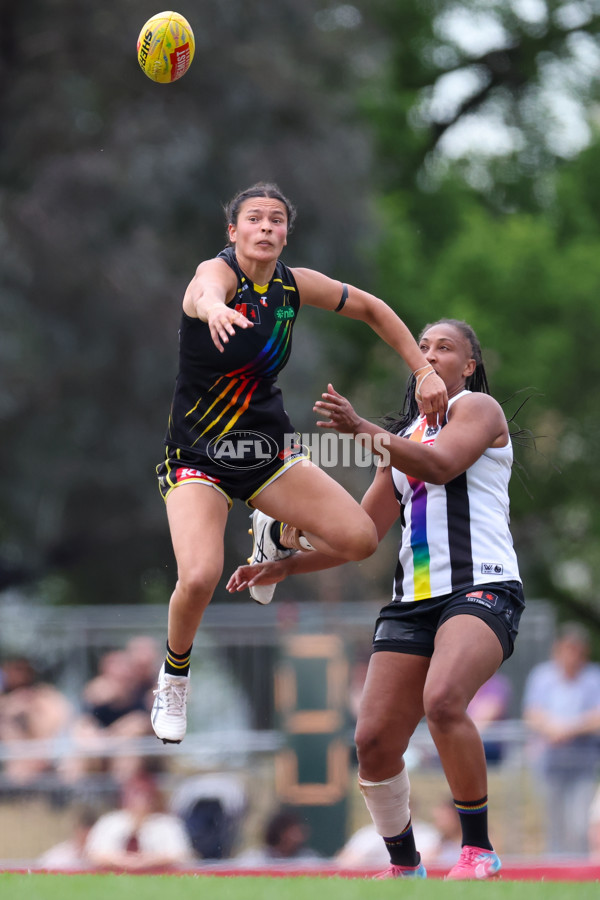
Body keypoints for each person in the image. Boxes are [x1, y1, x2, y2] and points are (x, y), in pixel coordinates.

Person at [150, 181, 447, 745]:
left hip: (264, 452)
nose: (266, 227)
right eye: (255, 219)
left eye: (277, 220)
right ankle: (174, 675)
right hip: (198, 456)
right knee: (199, 576)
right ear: (232, 231)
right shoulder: (217, 277)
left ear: (286, 233)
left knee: (359, 539)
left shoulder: (292, 286)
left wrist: (423, 370)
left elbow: (371, 308)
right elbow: (201, 292)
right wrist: (213, 309)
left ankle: (277, 532)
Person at [228, 318, 525, 880]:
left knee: (442, 699)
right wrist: (284, 564)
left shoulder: (479, 410)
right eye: (423, 347)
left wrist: (359, 427)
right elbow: (360, 537)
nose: (431, 355)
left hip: (481, 586)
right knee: (373, 741)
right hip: (412, 600)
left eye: (445, 348)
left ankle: (478, 851)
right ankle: (404, 867)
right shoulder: (402, 444)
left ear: (468, 367)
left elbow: (441, 465)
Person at [522, 622, 600, 857]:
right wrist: (551, 728)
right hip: (549, 764)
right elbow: (531, 713)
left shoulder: (593, 678)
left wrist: (567, 729)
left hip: (583, 764)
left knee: (578, 823)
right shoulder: (542, 676)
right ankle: (557, 869)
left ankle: (579, 869)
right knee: (553, 823)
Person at [84, 770, 193, 871]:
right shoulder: (109, 822)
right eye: (135, 794)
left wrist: (148, 860)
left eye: (144, 795)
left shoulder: (168, 824)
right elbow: (93, 854)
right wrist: (123, 860)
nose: (139, 800)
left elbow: (181, 855)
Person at [235, 807, 321, 866]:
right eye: (294, 831)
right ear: (282, 833)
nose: (300, 835)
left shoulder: (307, 859)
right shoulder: (256, 858)